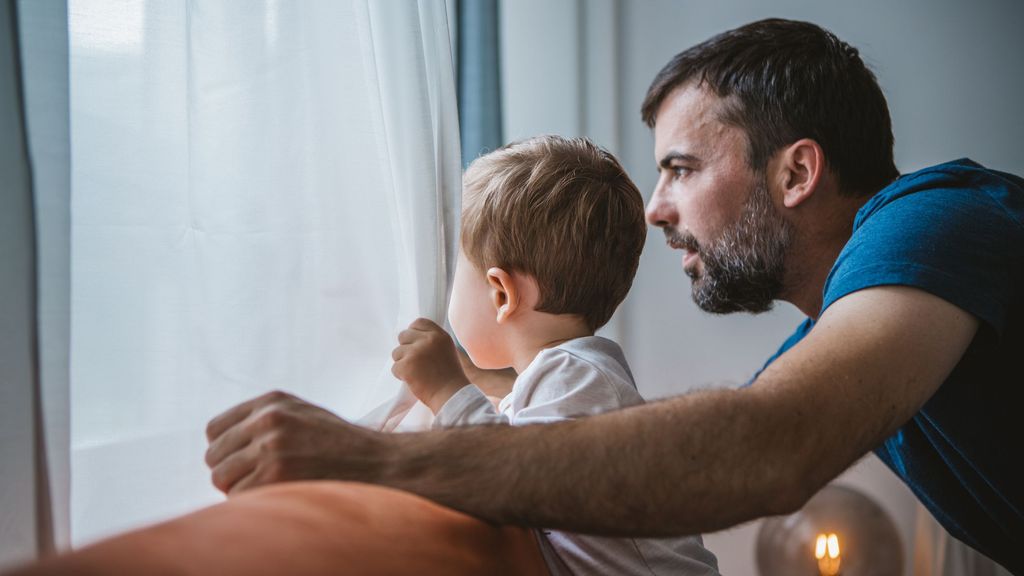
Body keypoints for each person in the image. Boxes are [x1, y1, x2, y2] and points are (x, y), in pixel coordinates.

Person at [204, 18, 1023, 573]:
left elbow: (762, 449)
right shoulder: (855, 323)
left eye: (681, 168)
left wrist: (371, 458)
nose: (656, 207)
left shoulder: (938, 220)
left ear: (798, 172)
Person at [389, 135, 720, 575]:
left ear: (502, 294)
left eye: (454, 277)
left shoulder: (576, 377)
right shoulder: (576, 377)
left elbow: (506, 474)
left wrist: (448, 391)